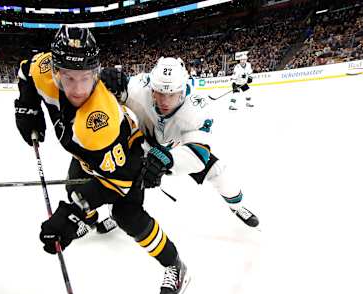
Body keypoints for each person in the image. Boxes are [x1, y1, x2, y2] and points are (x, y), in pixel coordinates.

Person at [13, 25, 189, 294]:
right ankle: (96, 222)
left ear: (95, 72)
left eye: (86, 78)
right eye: (69, 78)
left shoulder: (99, 122)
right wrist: (27, 107)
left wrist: (74, 214)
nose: (79, 89)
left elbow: (114, 185)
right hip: (88, 157)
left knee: (127, 215)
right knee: (75, 183)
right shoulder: (44, 68)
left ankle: (173, 263)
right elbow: (27, 71)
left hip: (127, 165)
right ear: (55, 70)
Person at [100, 58, 259, 228]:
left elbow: (199, 155)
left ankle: (237, 206)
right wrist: (109, 82)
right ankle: (117, 215)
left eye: (172, 94)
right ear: (152, 89)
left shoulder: (196, 110)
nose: (165, 101)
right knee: (123, 175)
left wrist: (167, 160)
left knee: (219, 174)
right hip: (145, 144)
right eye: (160, 93)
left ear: (182, 91)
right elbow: (119, 89)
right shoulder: (140, 88)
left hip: (180, 150)